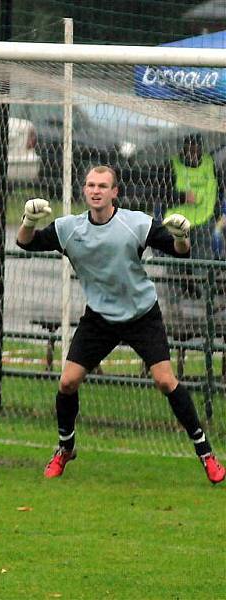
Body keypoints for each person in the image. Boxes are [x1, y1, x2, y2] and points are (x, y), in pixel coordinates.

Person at [17, 165, 225, 485]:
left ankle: (207, 454)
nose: (95, 190)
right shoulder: (68, 228)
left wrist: (182, 237)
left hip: (141, 314)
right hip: (100, 318)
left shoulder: (135, 223)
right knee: (67, 382)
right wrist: (28, 221)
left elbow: (180, 252)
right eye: (90, 185)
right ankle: (65, 448)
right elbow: (25, 243)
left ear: (115, 192)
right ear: (84, 191)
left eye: (102, 185)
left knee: (165, 381)